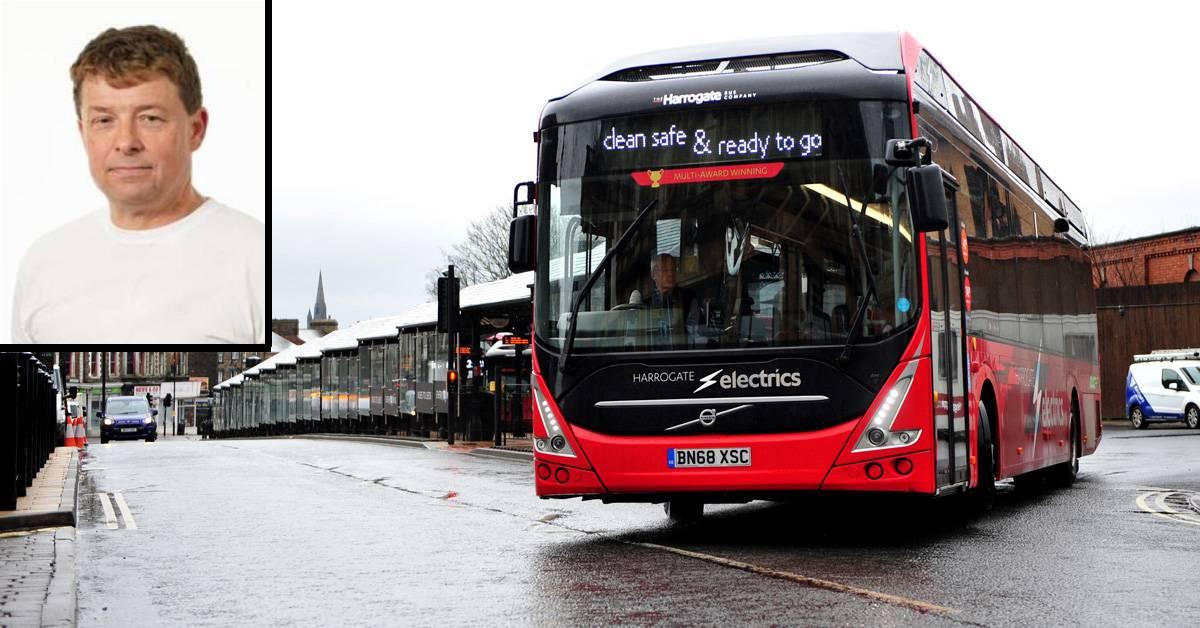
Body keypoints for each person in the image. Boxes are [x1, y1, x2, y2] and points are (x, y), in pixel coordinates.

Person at [10, 25, 264, 344]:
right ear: (83, 133)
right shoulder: (43, 263)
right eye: (104, 120)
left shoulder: (255, 256)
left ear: (196, 129)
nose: (126, 142)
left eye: (150, 118)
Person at [646, 253, 700, 347]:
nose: (671, 274)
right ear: (654, 274)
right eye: (665, 270)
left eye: (673, 269)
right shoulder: (646, 305)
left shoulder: (688, 298)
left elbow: (695, 333)